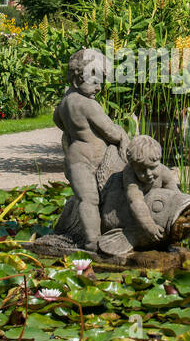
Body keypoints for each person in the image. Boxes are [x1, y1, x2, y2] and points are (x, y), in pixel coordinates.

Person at [54, 48, 132, 251]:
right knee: (91, 199)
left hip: (75, 157)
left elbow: (59, 122)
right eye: (95, 81)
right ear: (78, 78)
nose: (99, 88)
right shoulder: (89, 106)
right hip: (91, 159)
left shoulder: (64, 103)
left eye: (101, 82)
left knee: (85, 198)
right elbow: (110, 131)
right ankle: (93, 241)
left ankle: (91, 237)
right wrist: (123, 135)